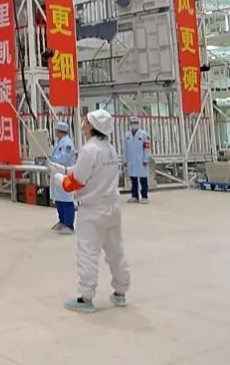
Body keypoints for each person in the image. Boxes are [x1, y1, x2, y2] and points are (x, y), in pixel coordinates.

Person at [47, 109, 131, 313]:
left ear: (93, 126)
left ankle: (85, 298)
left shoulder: (89, 150)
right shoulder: (109, 149)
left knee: (88, 254)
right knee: (116, 251)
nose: (83, 126)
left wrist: (59, 179)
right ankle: (120, 292)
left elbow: (76, 181)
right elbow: (85, 170)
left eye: (85, 123)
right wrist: (62, 169)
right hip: (112, 208)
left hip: (92, 211)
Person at [49, 122, 77, 235]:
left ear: (59, 131)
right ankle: (61, 221)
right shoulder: (58, 142)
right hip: (57, 174)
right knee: (59, 199)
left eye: (56, 130)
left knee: (67, 200)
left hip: (66, 175)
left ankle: (69, 225)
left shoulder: (68, 144)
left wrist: (51, 158)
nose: (55, 132)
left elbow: (63, 159)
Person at [123, 116, 151, 204]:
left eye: (135, 123)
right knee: (133, 178)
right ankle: (134, 196)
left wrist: (146, 158)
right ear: (130, 124)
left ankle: (144, 196)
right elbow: (125, 148)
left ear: (138, 124)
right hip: (131, 160)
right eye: (132, 123)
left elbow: (147, 147)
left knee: (143, 178)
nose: (134, 125)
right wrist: (125, 160)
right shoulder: (127, 135)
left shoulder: (143, 134)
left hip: (141, 160)